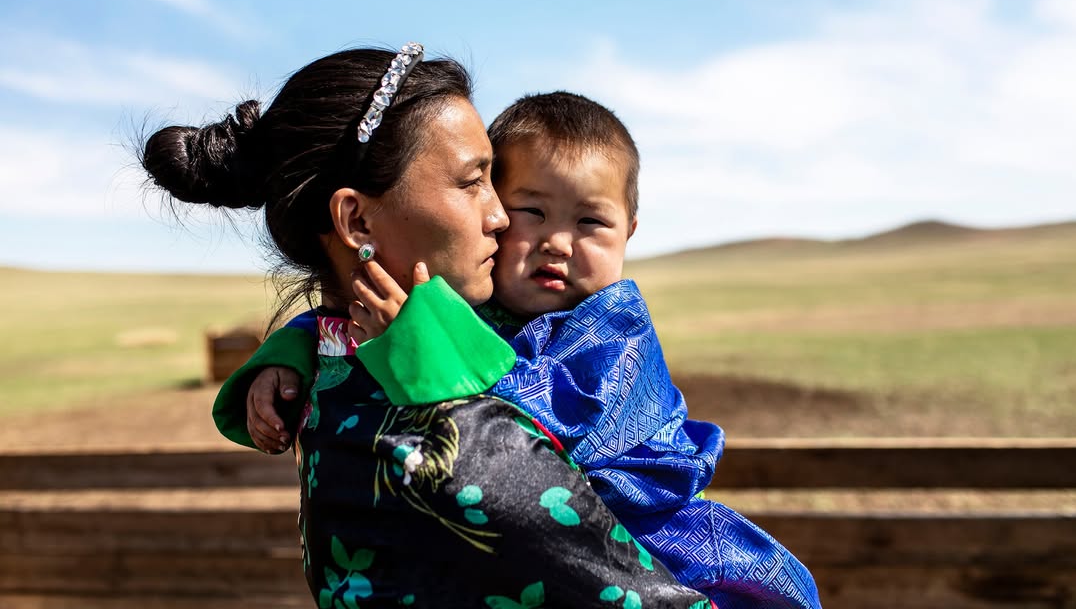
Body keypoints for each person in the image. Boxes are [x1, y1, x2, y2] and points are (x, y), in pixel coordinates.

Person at [141, 44, 711, 608]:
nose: (500, 216)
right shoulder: (381, 395)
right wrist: (292, 351)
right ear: (357, 219)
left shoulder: (365, 373)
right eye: (473, 182)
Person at [218, 92, 822, 608]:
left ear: (630, 231)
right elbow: (348, 323)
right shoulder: (471, 315)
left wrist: (431, 352)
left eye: (591, 223)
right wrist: (291, 352)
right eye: (530, 211)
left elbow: (547, 428)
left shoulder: (615, 327)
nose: (557, 242)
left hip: (658, 543)